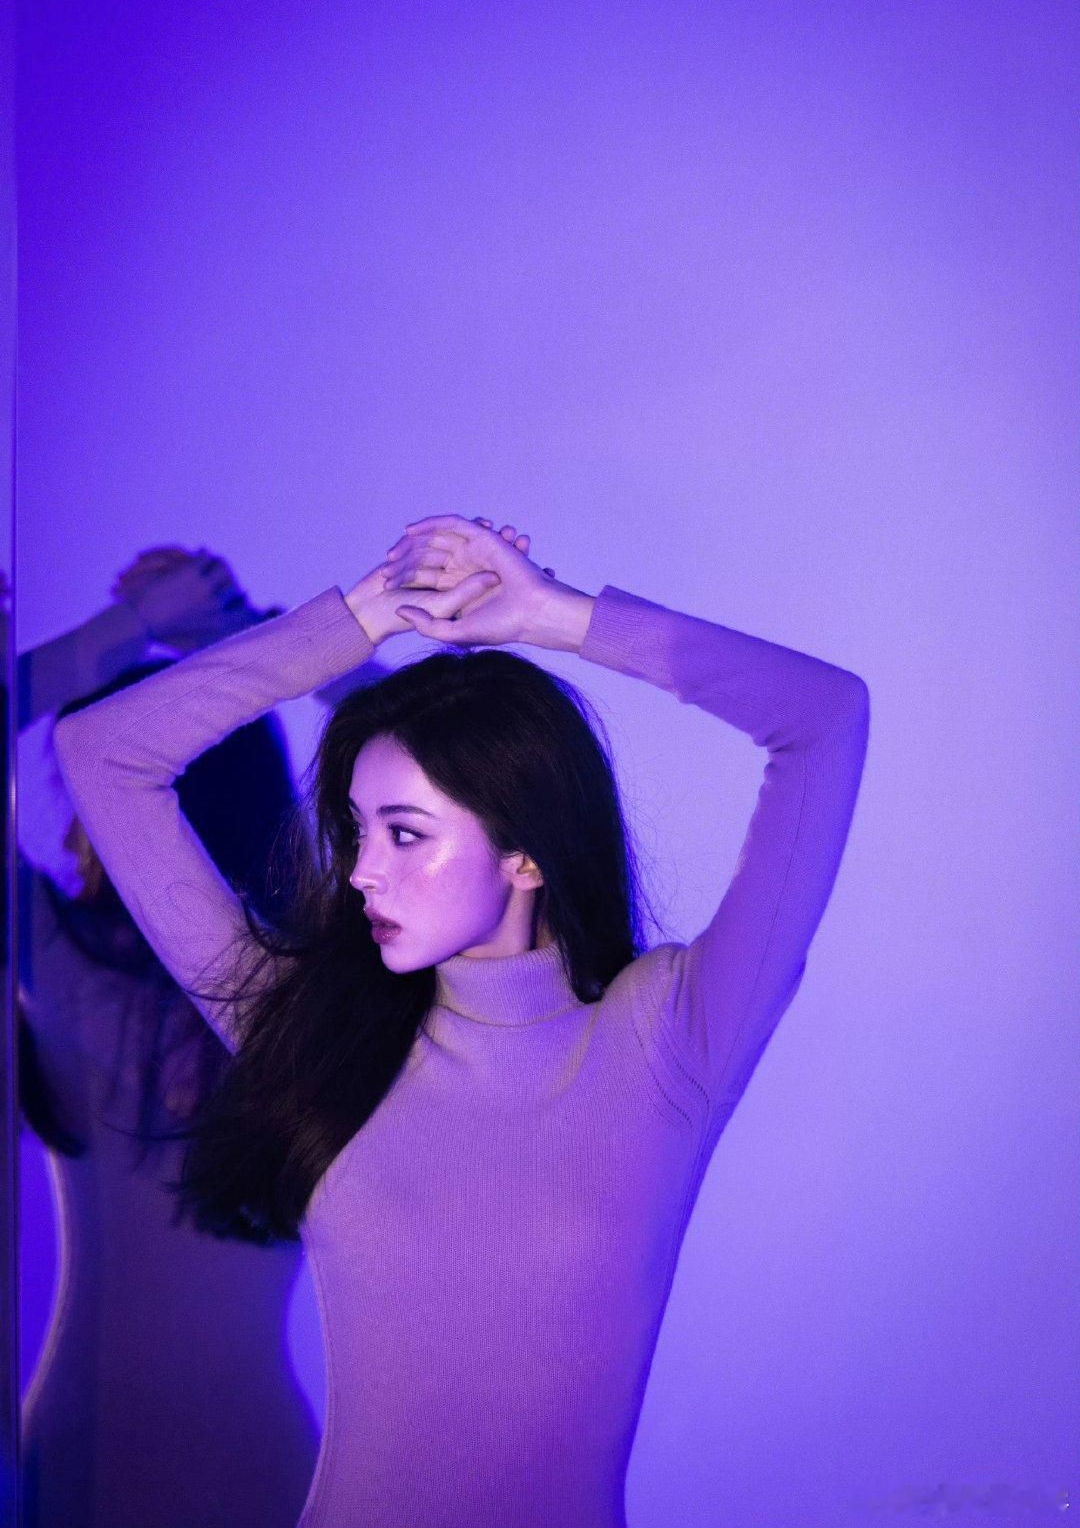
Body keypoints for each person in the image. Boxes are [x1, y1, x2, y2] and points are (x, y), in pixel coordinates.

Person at [52, 513, 870, 1528]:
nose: (361, 870)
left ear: (525, 851)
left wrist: (555, 615)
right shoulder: (305, 1031)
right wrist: (364, 615)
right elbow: (102, 753)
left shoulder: (670, 1036)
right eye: (356, 829)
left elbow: (824, 717)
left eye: (404, 834)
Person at [15, 548, 327, 1528]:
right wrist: (274, 649)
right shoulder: (324, 997)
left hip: (81, 1462)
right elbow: (462, 771)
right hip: (256, 1470)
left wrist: (131, 626)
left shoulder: (50, 957)